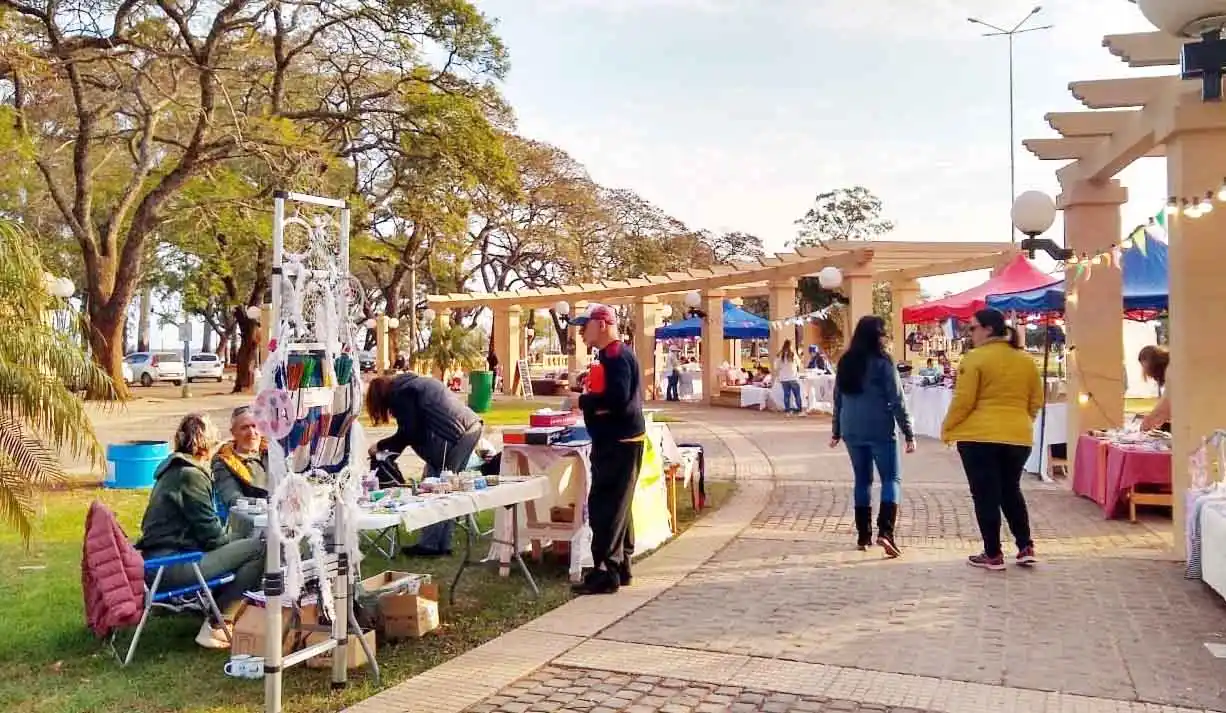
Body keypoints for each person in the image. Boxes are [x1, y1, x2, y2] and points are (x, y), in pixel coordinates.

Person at [136, 413, 265, 649]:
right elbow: (213, 538)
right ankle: (217, 623)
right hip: (172, 566)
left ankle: (220, 609)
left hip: (161, 559)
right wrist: (237, 537)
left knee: (246, 543)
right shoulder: (190, 476)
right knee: (258, 548)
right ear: (204, 443)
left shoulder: (176, 469)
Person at [941, 308, 1042, 571]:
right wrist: (1020, 422)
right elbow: (1035, 402)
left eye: (972, 328)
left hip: (979, 437)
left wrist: (948, 428)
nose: (969, 333)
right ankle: (1025, 545)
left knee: (986, 494)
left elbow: (964, 401)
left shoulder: (974, 359)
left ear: (988, 329)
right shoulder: (1026, 361)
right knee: (1010, 490)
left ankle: (993, 553)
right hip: (1018, 436)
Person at [570, 303, 645, 595]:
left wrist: (583, 402)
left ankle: (605, 570)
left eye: (584, 326)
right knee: (619, 507)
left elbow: (618, 399)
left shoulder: (615, 355)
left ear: (601, 324)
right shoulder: (611, 355)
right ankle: (621, 566)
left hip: (619, 441)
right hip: (620, 440)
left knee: (605, 507)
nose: (581, 332)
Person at [366, 372, 484, 557]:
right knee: (445, 487)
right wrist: (389, 449)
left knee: (436, 488)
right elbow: (411, 431)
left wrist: (380, 447)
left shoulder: (403, 394)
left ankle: (430, 546)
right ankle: (440, 544)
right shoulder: (412, 385)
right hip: (469, 427)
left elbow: (410, 432)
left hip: (456, 435)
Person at [829, 316, 916, 557]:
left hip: (851, 428)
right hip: (879, 427)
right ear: (878, 336)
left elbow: (837, 399)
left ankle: (863, 535)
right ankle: (885, 532)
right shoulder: (882, 361)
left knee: (862, 480)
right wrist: (908, 431)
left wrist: (836, 430)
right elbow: (897, 399)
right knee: (891, 479)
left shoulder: (845, 361)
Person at [211, 406, 268, 510]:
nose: (251, 432)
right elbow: (234, 500)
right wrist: (270, 502)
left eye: (254, 426)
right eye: (244, 428)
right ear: (233, 432)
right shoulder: (223, 462)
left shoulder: (273, 452)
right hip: (252, 520)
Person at [1137, 345, 1171, 432]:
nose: (1145, 371)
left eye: (1143, 366)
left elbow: (1167, 400)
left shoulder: (1171, 370)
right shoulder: (1171, 368)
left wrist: (1150, 419)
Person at [775, 339, 803, 415]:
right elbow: (799, 364)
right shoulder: (793, 354)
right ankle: (799, 409)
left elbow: (776, 366)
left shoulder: (780, 355)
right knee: (797, 394)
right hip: (793, 377)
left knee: (786, 394)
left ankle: (787, 410)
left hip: (783, 378)